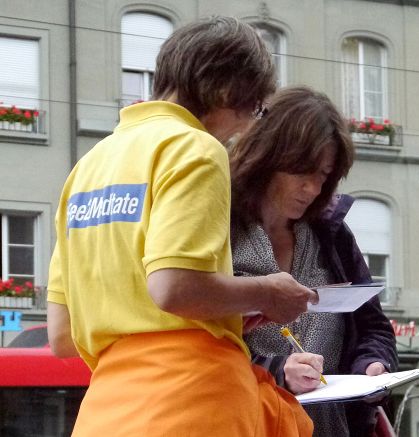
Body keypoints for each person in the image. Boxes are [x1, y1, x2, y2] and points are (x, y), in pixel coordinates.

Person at [47, 17, 318, 437]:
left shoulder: (89, 166)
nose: (247, 127)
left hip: (108, 409)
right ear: (228, 90)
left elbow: (62, 335)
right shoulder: (193, 147)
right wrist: (270, 291)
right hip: (194, 403)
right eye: (255, 110)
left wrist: (219, 308)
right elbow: (174, 288)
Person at [229, 86, 398, 436]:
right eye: (302, 172)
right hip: (246, 422)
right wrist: (276, 370)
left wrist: (372, 365)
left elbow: (374, 327)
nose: (313, 189)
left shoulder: (331, 234)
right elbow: (198, 340)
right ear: (267, 156)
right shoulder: (220, 228)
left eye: (323, 175)